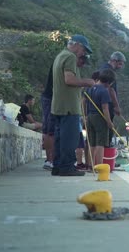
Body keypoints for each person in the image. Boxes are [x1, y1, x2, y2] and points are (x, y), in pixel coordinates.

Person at [51, 34, 95, 176]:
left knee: (59, 138)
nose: (84, 54)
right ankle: (67, 167)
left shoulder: (60, 56)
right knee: (69, 138)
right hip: (69, 105)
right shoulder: (70, 57)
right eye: (84, 50)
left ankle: (57, 166)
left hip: (58, 104)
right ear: (78, 45)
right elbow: (69, 80)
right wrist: (87, 82)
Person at [41, 55, 90, 171]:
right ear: (79, 59)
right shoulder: (68, 61)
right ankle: (50, 160)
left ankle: (56, 162)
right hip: (54, 100)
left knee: (56, 131)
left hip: (56, 100)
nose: (81, 66)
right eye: (82, 63)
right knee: (51, 131)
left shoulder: (61, 60)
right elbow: (68, 81)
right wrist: (86, 82)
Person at [84, 69, 115, 166]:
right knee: (100, 144)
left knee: (92, 143)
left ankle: (90, 165)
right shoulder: (104, 91)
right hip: (100, 118)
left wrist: (85, 115)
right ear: (108, 82)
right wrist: (109, 122)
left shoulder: (89, 88)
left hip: (89, 117)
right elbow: (105, 109)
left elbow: (83, 102)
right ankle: (99, 166)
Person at [98, 51, 126, 146]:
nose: (121, 66)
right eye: (120, 64)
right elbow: (111, 90)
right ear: (114, 61)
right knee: (106, 133)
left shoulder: (103, 67)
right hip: (106, 105)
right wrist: (117, 107)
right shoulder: (109, 71)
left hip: (100, 104)